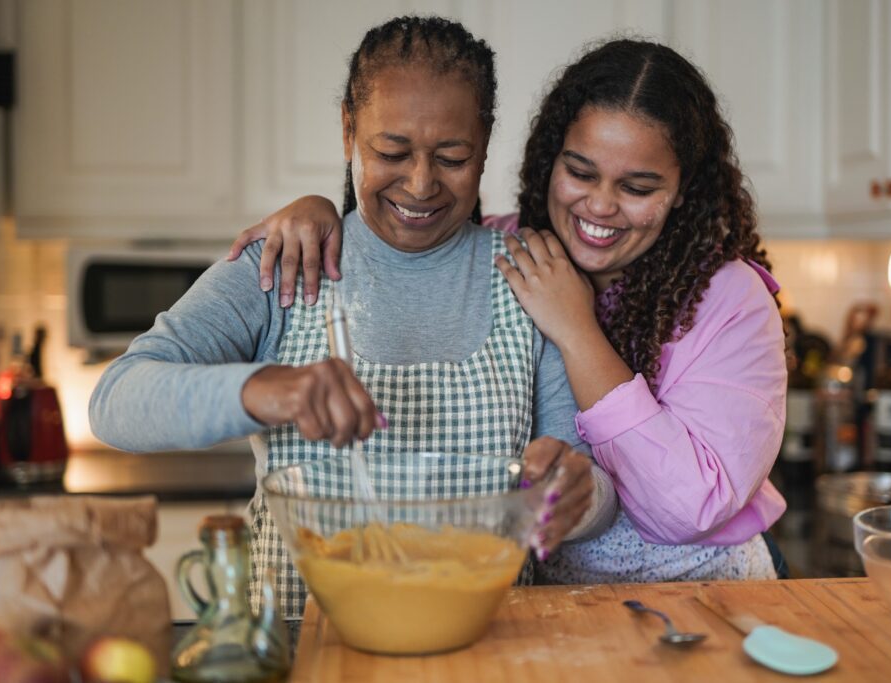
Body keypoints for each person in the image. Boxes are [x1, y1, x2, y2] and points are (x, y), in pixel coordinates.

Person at [90, 16, 616, 617]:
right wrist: (265, 388)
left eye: (452, 156)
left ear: (485, 141)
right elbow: (116, 401)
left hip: (484, 645)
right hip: (303, 646)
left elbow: (592, 491)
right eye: (391, 152)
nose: (420, 184)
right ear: (347, 129)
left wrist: (575, 494)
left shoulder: (532, 279)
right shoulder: (285, 265)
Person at [230, 39, 789, 583]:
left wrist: (576, 329)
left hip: (705, 594)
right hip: (545, 604)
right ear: (550, 159)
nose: (599, 205)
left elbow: (685, 510)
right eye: (581, 171)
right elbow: (398, 229)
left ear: (683, 189)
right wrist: (319, 211)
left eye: (637, 187)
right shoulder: (502, 250)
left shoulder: (733, 301)